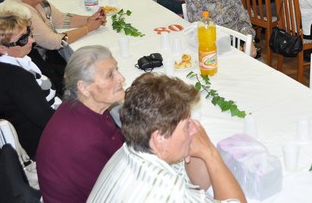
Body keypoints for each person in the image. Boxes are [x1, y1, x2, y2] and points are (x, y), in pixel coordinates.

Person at [87, 73, 246, 202]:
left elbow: (198, 184)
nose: (194, 129)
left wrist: (198, 150)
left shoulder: (128, 151)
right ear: (159, 138)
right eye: (186, 126)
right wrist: (211, 154)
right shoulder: (170, 192)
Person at [36, 46, 125, 203]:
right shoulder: (83, 139)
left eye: (116, 70)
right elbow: (112, 191)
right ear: (84, 88)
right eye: (110, 75)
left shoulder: (82, 107)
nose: (121, 78)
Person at [5, 0, 106, 92]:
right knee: (87, 71)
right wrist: (87, 29)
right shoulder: (22, 12)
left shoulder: (33, 0)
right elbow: (54, 42)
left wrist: (89, 19)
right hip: (36, 66)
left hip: (42, 57)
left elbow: (60, 19)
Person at [0, 4, 58, 158]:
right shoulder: (15, 78)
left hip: (45, 124)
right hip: (42, 142)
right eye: (23, 39)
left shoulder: (16, 60)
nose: (32, 40)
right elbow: (46, 120)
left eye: (28, 33)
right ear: (2, 49)